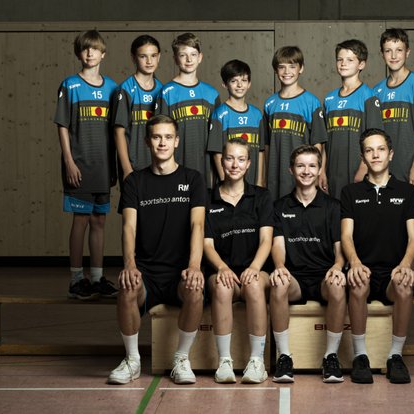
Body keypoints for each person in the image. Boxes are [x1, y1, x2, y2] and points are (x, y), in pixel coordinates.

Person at [107, 115, 207, 385]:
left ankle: (181, 359)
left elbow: (198, 225)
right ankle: (132, 360)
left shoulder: (193, 179)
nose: (162, 143)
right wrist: (130, 265)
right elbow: (129, 227)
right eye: (156, 137)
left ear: (176, 142)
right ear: (147, 142)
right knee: (127, 286)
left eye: (168, 137)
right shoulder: (134, 182)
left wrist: (194, 266)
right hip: (147, 272)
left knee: (195, 288)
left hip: (179, 272)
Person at [341, 128, 414, 384]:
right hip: (364, 268)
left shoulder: (408, 192)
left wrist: (406, 265)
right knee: (357, 281)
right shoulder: (350, 193)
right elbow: (346, 236)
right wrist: (354, 263)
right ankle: (360, 356)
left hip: (393, 272)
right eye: (369, 150)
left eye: (380, 149)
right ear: (363, 158)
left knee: (405, 285)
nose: (375, 155)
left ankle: (395, 356)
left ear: (391, 154)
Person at [269, 145, 347, 383]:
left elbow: (340, 249)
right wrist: (280, 266)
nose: (306, 171)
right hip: (295, 278)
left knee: (338, 286)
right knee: (278, 284)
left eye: (312, 166)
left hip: (323, 276)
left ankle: (331, 357)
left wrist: (337, 266)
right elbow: (278, 245)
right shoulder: (280, 207)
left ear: (320, 169)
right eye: (300, 166)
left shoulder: (333, 206)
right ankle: (284, 357)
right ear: (291, 169)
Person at [54, 30, 118, 300]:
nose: (90, 53)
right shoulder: (69, 85)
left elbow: (116, 131)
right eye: (85, 49)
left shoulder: (113, 88)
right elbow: (62, 126)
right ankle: (76, 279)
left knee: (99, 220)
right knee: (80, 220)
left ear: (103, 54)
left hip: (103, 166)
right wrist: (69, 161)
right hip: (79, 165)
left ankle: (97, 278)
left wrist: (114, 166)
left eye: (95, 49)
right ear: (78, 53)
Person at [204, 138, 274, 384]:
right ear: (222, 161)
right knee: (222, 285)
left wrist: (254, 267)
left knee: (253, 285)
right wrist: (222, 267)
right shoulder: (208, 198)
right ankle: (224, 361)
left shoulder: (261, 196)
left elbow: (266, 240)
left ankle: (257, 361)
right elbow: (206, 244)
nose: (235, 165)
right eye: (230, 158)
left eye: (241, 159)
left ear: (249, 164)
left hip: (255, 270)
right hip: (223, 271)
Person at [156, 32, 220, 187]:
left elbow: (217, 140)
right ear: (175, 59)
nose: (189, 60)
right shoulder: (167, 93)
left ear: (200, 57)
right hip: (176, 170)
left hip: (205, 170)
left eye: (193, 54)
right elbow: (160, 137)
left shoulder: (211, 94)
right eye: (183, 55)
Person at [264, 46, 328, 199]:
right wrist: (266, 174)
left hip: (303, 175)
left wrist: (318, 172)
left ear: (301, 68)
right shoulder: (270, 103)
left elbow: (318, 144)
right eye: (282, 67)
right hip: (276, 174)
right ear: (275, 70)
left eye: (292, 66)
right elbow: (266, 145)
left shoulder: (311, 102)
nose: (287, 72)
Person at [373, 28, 414, 194]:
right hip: (384, 169)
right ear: (382, 54)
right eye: (388, 51)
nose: (393, 56)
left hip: (409, 167)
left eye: (399, 50)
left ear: (407, 52)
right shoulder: (377, 91)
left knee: (411, 210)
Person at [323, 39, 383, 199]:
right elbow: (324, 142)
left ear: (361, 64)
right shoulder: (329, 99)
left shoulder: (368, 96)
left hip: (357, 171)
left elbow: (375, 139)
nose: (343, 63)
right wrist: (322, 171)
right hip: (332, 173)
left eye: (350, 60)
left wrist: (364, 169)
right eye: (340, 59)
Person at [113, 35, 163, 184]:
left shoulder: (162, 90)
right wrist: (126, 168)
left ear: (159, 57)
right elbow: (118, 132)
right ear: (134, 58)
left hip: (157, 165)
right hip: (133, 167)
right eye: (143, 56)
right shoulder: (126, 89)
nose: (149, 61)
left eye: (153, 56)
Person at [208, 60, 266, 187]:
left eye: (244, 80)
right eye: (234, 81)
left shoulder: (256, 114)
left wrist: (260, 181)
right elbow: (217, 153)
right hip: (229, 184)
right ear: (225, 84)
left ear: (249, 83)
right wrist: (225, 181)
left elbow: (261, 151)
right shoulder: (220, 114)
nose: (239, 85)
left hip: (252, 183)